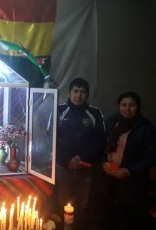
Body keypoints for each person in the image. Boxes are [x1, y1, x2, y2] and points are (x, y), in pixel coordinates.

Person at [94, 92, 156, 229]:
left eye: (132, 105)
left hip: (132, 181)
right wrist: (104, 161)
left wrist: (129, 171)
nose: (127, 109)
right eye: (124, 105)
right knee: (108, 213)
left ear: (138, 107)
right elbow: (100, 146)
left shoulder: (146, 128)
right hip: (108, 177)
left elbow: (152, 157)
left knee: (129, 218)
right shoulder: (111, 122)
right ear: (119, 106)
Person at [55, 77, 106, 229]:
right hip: (63, 168)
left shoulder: (95, 113)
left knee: (83, 205)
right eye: (75, 91)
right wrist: (67, 160)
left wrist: (81, 159)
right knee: (61, 204)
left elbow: (100, 140)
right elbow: (50, 137)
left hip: (86, 168)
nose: (79, 95)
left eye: (83, 92)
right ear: (69, 92)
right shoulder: (59, 110)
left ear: (87, 94)